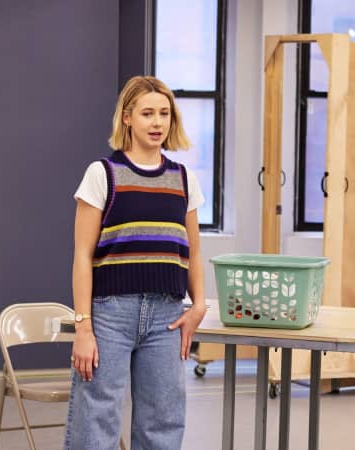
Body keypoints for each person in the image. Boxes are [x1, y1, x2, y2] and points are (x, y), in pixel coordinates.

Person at [64, 75, 206, 450]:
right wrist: (83, 327)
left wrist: (200, 304)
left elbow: (191, 248)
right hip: (110, 315)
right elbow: (82, 256)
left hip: (167, 316)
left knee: (164, 420)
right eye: (147, 113)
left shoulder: (184, 178)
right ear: (127, 118)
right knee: (96, 422)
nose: (157, 123)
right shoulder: (102, 175)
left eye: (164, 113)